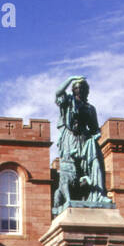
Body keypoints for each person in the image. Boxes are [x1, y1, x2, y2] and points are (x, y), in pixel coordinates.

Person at [52, 76, 111, 211]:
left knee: (96, 158)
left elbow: (95, 129)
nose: (81, 90)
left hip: (85, 140)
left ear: (87, 91)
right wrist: (70, 78)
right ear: (73, 90)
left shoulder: (90, 108)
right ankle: (69, 198)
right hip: (70, 139)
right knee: (70, 170)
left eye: (83, 88)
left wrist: (94, 137)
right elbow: (58, 92)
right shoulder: (68, 102)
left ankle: (99, 194)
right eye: (78, 88)